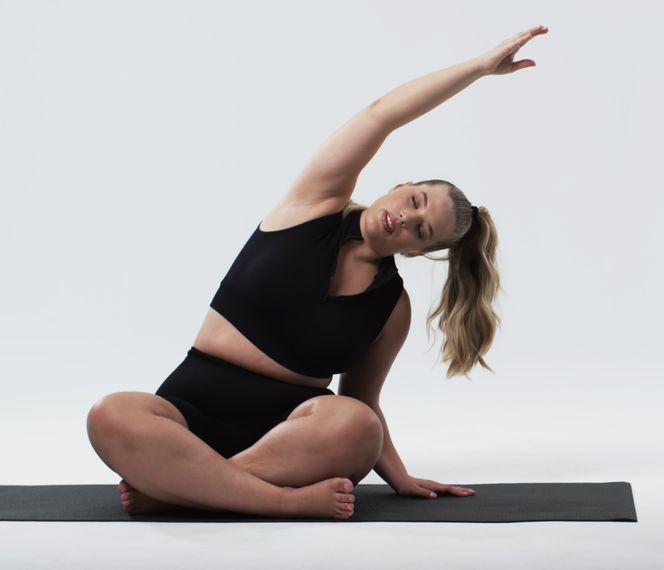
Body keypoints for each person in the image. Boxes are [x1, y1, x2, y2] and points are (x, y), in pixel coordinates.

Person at [84, 24, 548, 520]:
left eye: (421, 231)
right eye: (415, 202)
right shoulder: (313, 205)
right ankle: (279, 501)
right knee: (111, 415)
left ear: (419, 252)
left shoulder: (391, 307)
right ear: (400, 185)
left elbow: (362, 400)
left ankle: (185, 489)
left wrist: (398, 474)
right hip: (191, 408)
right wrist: (477, 69)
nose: (406, 219)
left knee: (358, 427)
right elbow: (382, 115)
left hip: (291, 435)